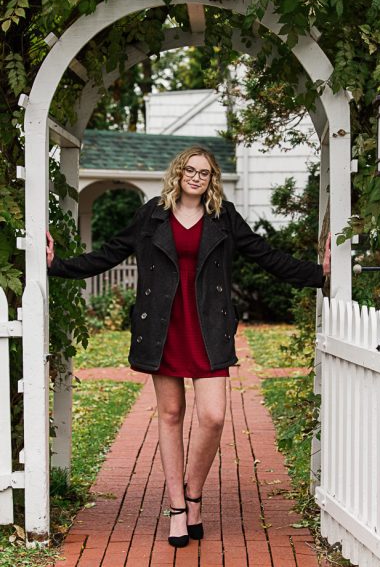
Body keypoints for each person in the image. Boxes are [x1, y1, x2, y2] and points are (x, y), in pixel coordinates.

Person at [47, 146, 330, 548]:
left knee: (213, 417)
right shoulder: (152, 214)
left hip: (208, 326)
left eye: (205, 172)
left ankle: (194, 493)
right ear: (178, 173)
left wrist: (319, 274)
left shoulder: (224, 218)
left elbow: (266, 256)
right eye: (190, 170)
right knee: (172, 414)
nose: (196, 177)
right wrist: (57, 265)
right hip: (163, 326)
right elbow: (110, 253)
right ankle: (178, 509)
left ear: (212, 179)